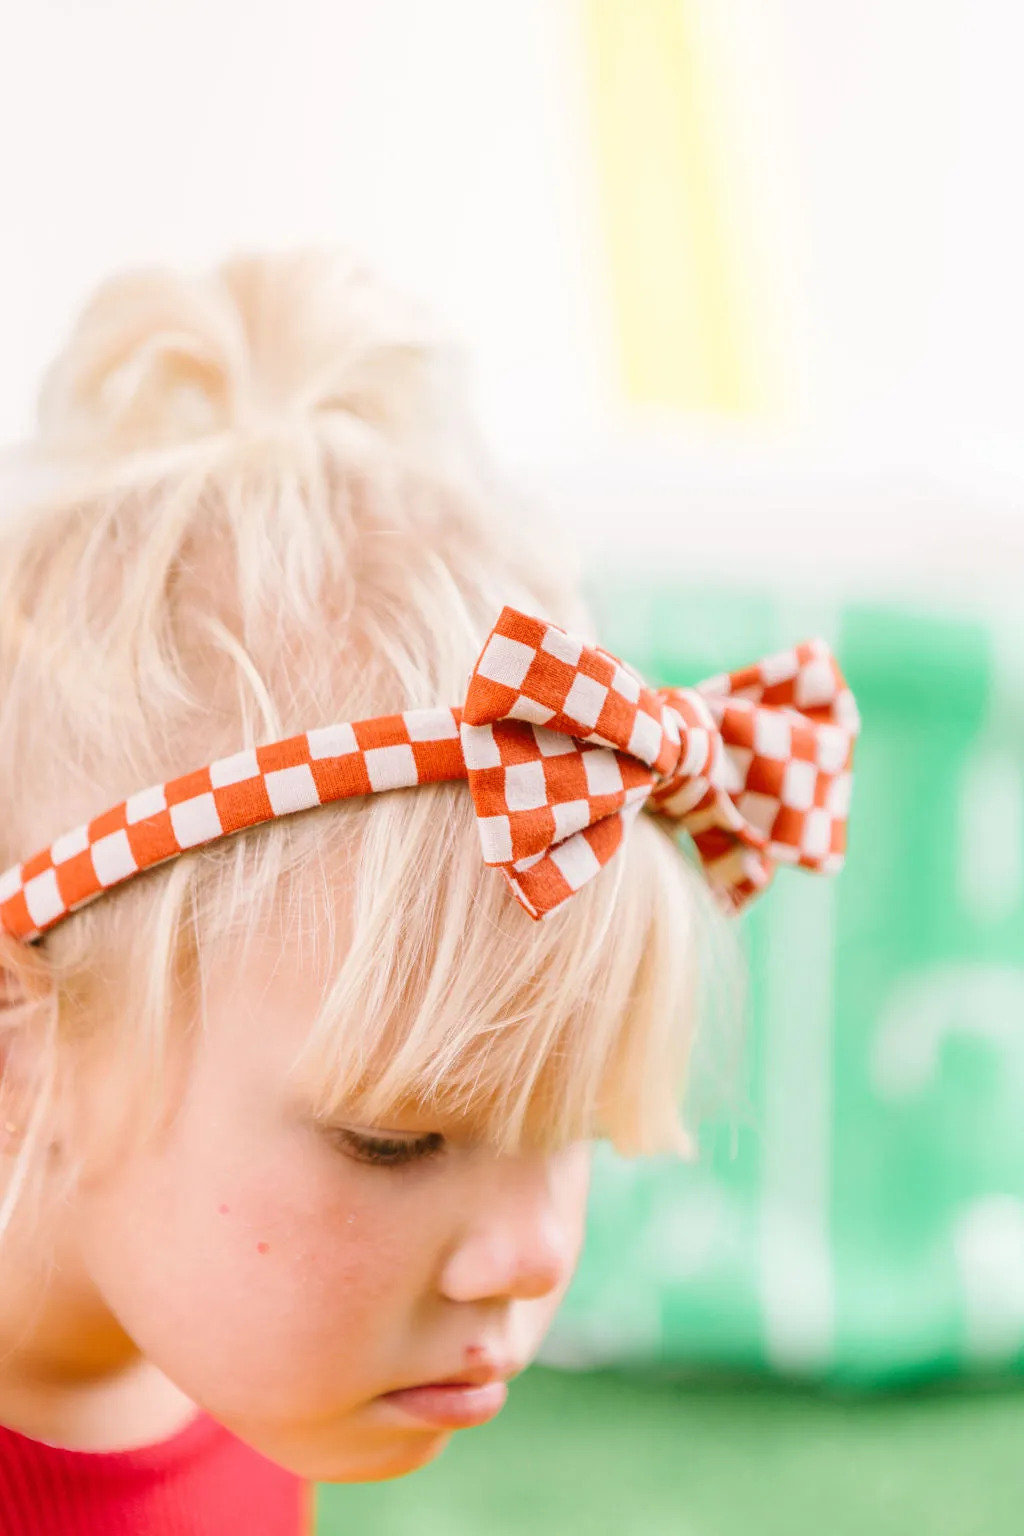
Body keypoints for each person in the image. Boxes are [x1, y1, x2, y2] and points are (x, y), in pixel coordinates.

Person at [0, 252, 857, 1533]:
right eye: (395, 1140)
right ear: (30, 1034)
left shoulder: (221, 1355)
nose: (533, 1257)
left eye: (566, 1128)